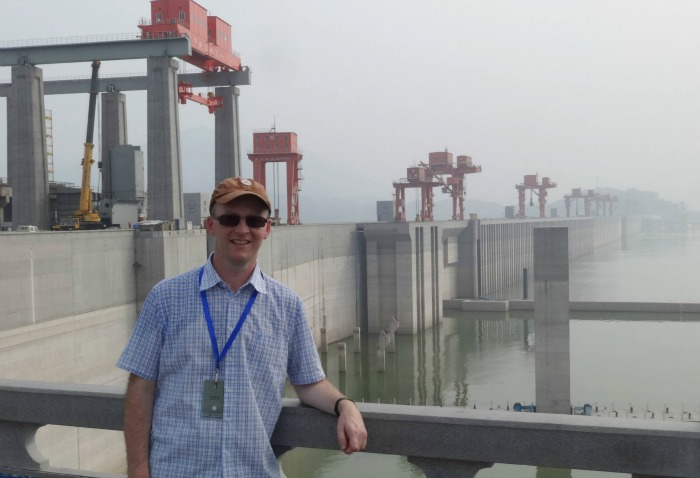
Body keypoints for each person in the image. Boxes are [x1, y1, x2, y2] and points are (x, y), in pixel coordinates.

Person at [117, 177, 367, 478]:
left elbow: (309, 383)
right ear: (211, 225)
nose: (242, 229)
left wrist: (344, 406)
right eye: (230, 219)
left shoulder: (287, 305)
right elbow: (140, 388)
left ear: (267, 229)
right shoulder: (166, 297)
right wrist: (138, 470)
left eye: (254, 220)